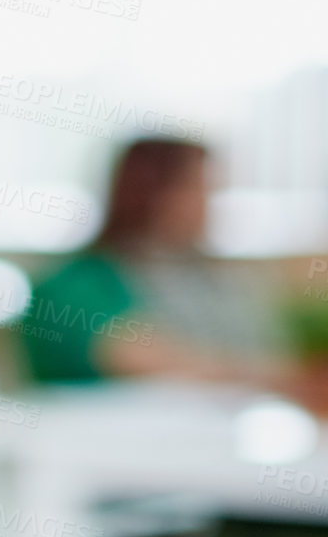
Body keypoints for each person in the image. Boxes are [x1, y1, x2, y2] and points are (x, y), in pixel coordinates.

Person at [17, 135, 283, 385]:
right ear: (148, 193)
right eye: (197, 188)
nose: (209, 204)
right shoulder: (75, 286)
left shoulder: (215, 280)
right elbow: (141, 358)